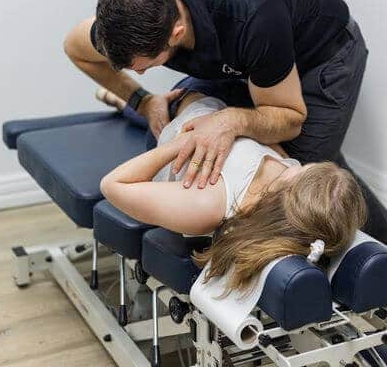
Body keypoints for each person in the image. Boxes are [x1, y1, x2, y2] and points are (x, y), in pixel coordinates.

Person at [64, 0, 387, 242]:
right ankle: (122, 104)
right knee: (177, 110)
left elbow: (289, 118)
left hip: (322, 57)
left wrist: (231, 119)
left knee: (307, 180)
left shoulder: (251, 19)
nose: (144, 75)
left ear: (176, 35)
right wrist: (142, 101)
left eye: (146, 66)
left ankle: (378, 261)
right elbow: (75, 49)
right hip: (249, 62)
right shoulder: (132, 19)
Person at [100, 91, 367, 294]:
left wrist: (183, 142)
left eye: (305, 170)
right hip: (216, 109)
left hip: (181, 122)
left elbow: (113, 185)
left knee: (163, 109)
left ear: (287, 196)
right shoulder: (287, 173)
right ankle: (129, 103)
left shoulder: (208, 203)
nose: (299, 165)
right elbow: (269, 142)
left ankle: (127, 102)